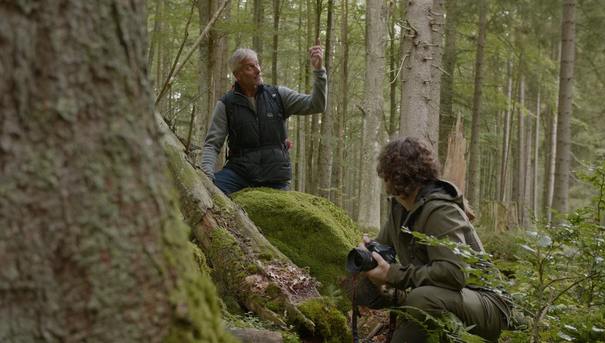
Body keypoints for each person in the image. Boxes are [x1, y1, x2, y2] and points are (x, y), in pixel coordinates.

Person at [355, 137, 512, 342]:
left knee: (421, 298)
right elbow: (381, 253)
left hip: (490, 305)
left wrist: (392, 274)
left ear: (395, 176)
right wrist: (369, 261)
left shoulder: (440, 209)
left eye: (385, 174)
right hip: (450, 298)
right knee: (377, 290)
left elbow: (454, 274)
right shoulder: (399, 210)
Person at [201, 42, 326, 195]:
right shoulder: (226, 104)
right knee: (208, 192)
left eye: (257, 64)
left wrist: (319, 70)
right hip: (239, 174)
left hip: (275, 177)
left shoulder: (278, 95)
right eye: (250, 67)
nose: (258, 70)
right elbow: (212, 144)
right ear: (237, 75)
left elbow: (316, 105)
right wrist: (206, 176)